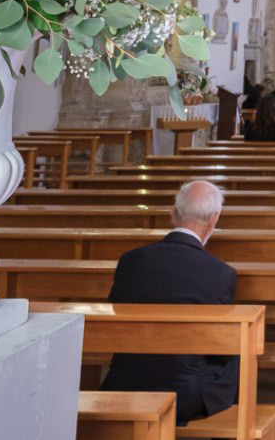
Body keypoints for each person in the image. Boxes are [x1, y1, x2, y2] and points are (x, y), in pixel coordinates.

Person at [102, 180, 238, 422]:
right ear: (213, 220)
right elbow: (218, 346)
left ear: (173, 214)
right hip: (184, 394)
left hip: (125, 382)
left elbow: (114, 319)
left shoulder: (130, 261)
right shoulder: (220, 273)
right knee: (237, 355)